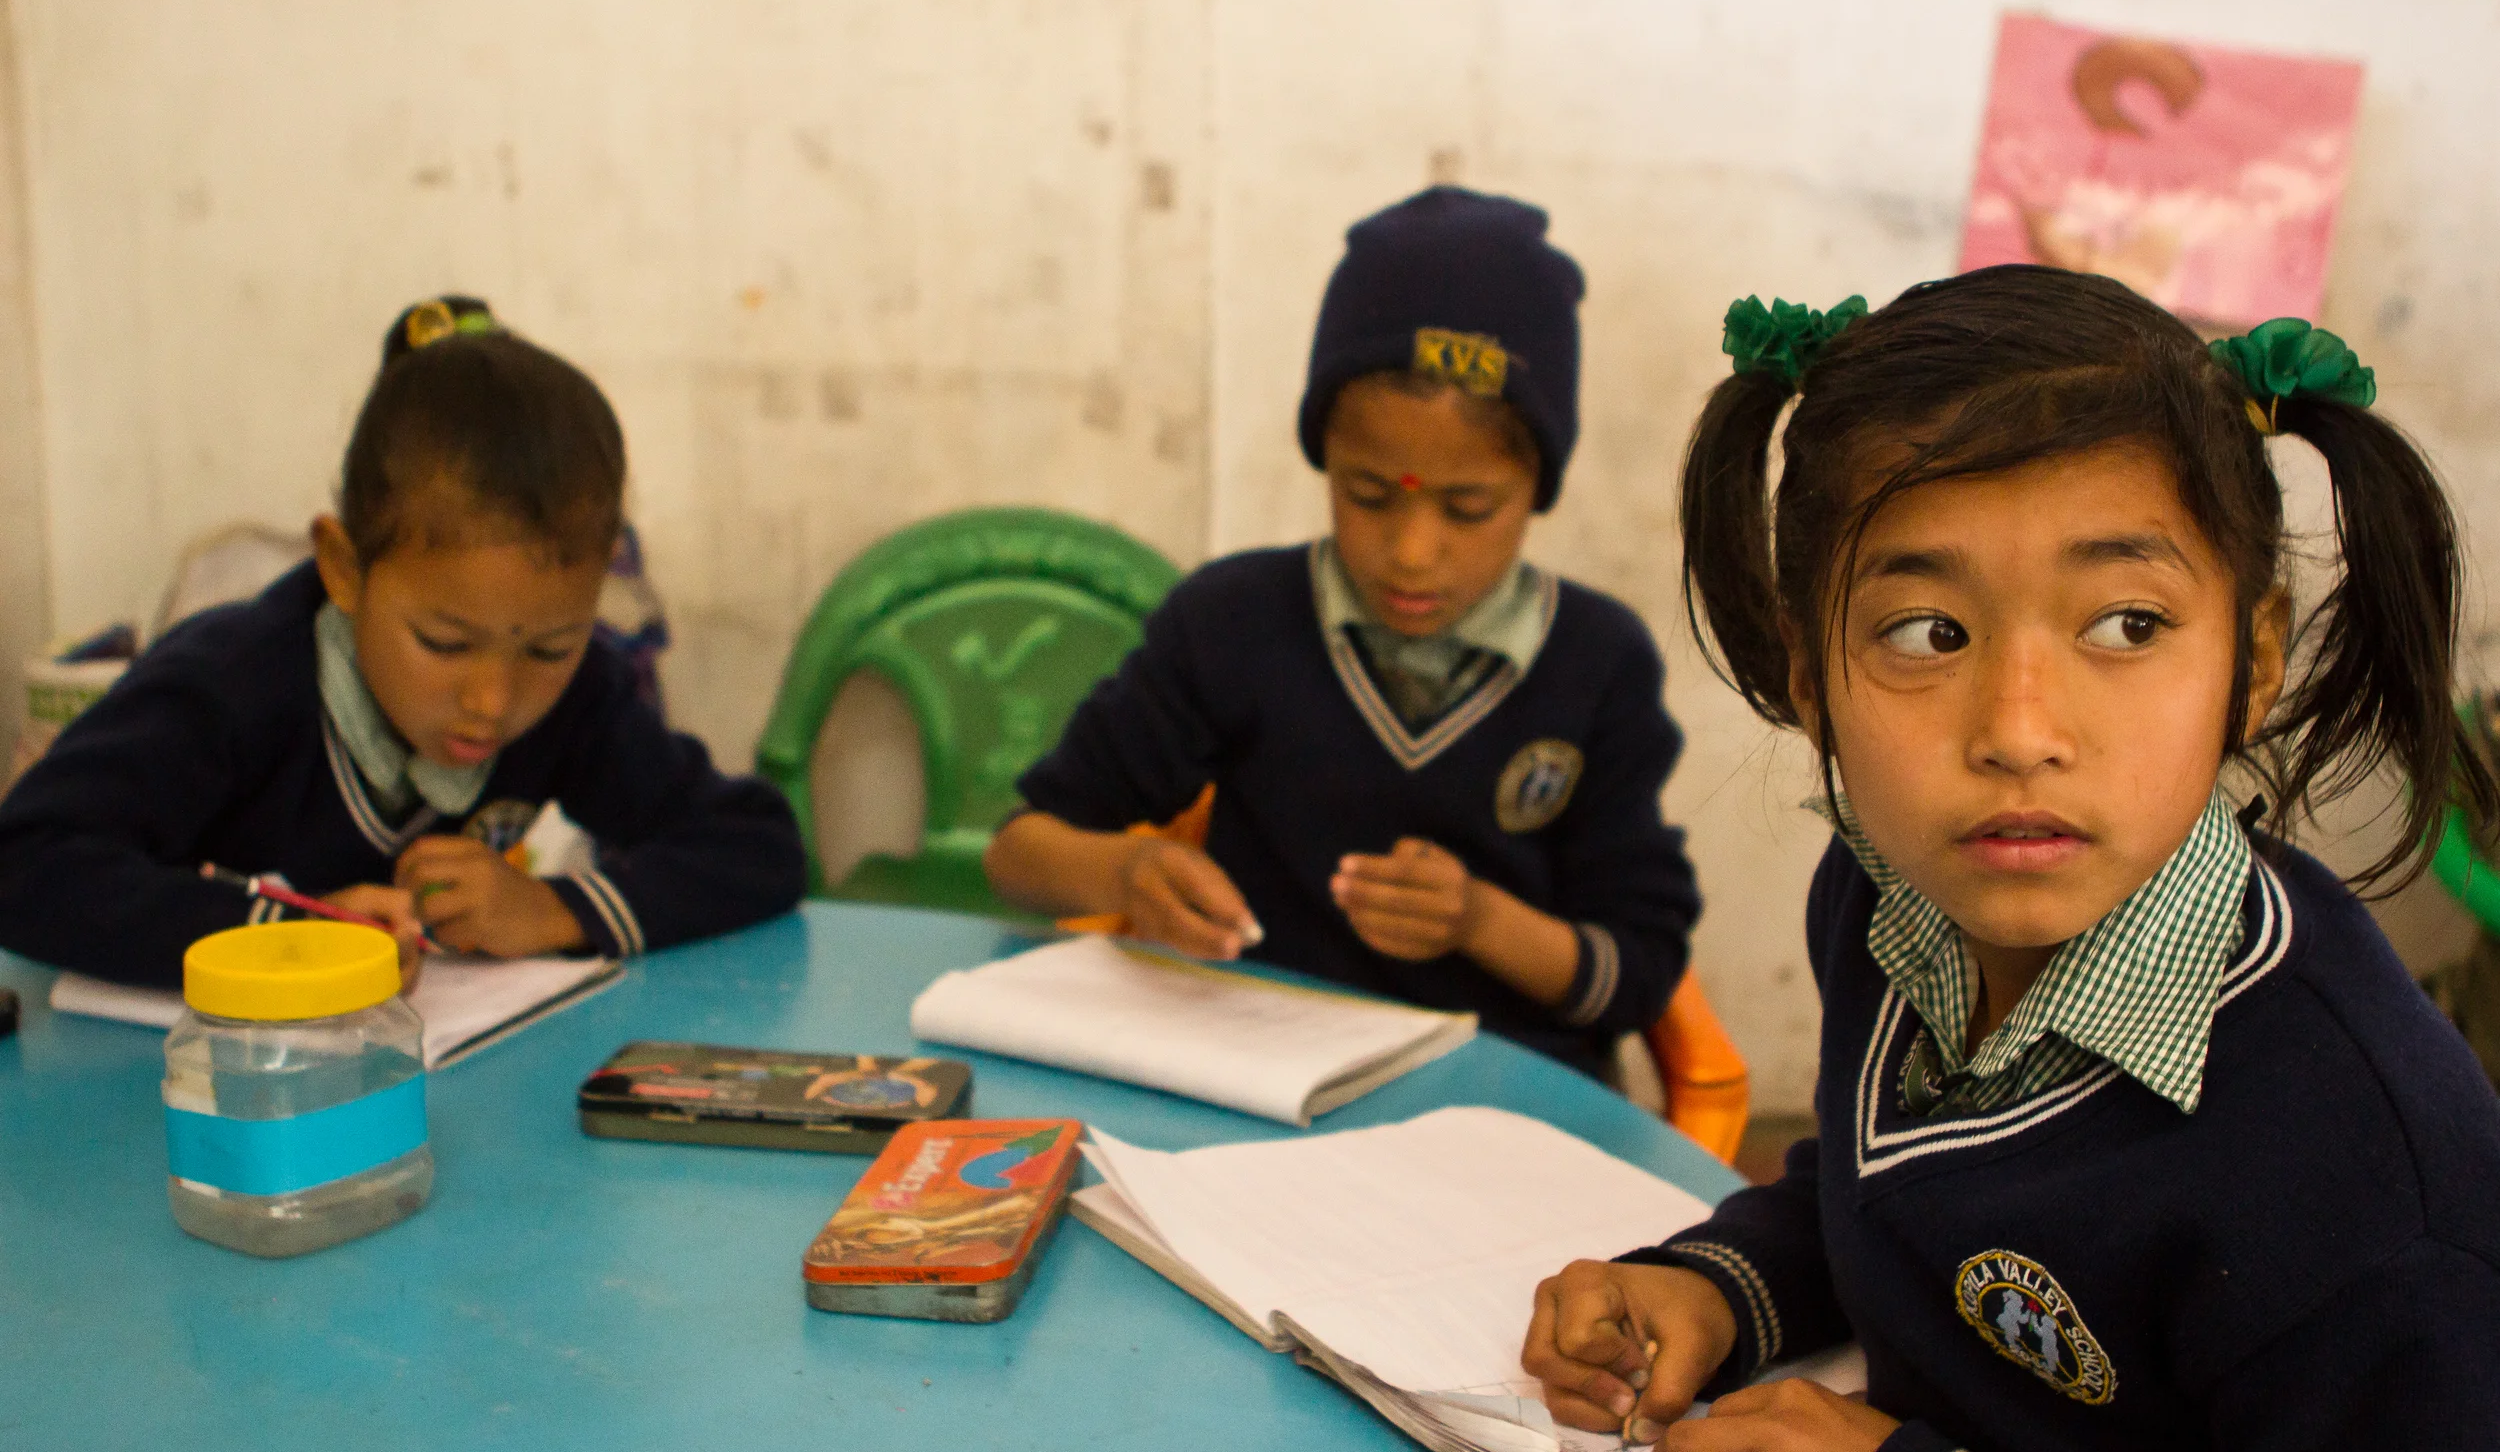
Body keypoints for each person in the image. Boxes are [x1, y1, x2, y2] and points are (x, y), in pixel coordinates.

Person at [1522, 266, 2500, 1452]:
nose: (2019, 729)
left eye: (2127, 625)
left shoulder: (2367, 1196)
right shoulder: (1890, 901)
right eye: (1929, 632)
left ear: (2253, 658)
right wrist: (1724, 1285)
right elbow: (1896, 1194)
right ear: (1812, 676)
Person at [984, 187, 1699, 1077]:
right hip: (1260, 1082)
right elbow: (1018, 852)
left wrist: (1479, 920)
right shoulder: (1232, 624)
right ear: (1323, 459)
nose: (1411, 552)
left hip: (1504, 1105)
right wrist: (1127, 874)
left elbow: (1636, 976)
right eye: (1367, 495)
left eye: (1468, 508)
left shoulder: (1598, 664)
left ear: (1536, 489)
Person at [0, 295, 805, 988]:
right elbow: (26, 864)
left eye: (548, 649)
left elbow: (756, 844)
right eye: (446, 643)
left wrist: (553, 909)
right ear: (345, 571)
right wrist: (281, 940)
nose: (493, 701)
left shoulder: (577, 698)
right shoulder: (232, 686)